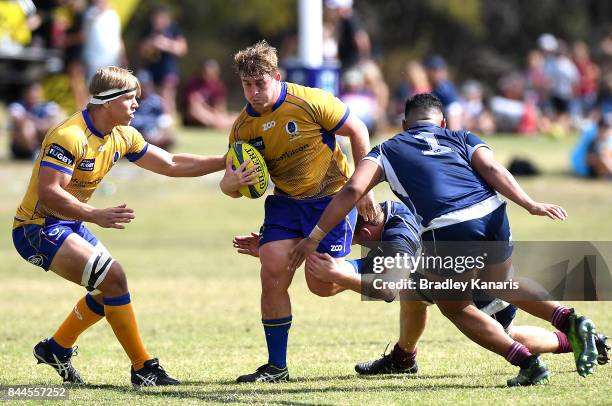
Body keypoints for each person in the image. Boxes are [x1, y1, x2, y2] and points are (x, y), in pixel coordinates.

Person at [288, 93, 600, 386]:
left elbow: (354, 190)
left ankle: (528, 364)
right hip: (493, 215)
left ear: (404, 125)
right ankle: (567, 319)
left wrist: (315, 236)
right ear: (443, 123)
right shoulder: (462, 137)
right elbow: (492, 168)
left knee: (455, 307)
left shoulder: (388, 148)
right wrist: (530, 203)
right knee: (496, 283)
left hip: (448, 227)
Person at [11, 66, 226, 388]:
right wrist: (94, 214)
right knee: (113, 279)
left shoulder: (122, 135)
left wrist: (226, 160)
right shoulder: (69, 136)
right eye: (131, 98)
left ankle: (55, 348)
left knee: (108, 287)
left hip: (68, 222)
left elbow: (170, 164)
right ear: (107, 101)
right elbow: (50, 193)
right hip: (37, 227)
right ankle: (143, 368)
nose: (137, 105)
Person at [236, 201, 610, 374]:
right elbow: (334, 273)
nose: (338, 238)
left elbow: (381, 287)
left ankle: (572, 338)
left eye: (341, 233)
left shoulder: (397, 238)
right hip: (456, 267)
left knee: (503, 327)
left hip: (474, 280)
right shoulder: (383, 221)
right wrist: (277, 252)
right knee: (414, 297)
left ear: (363, 230)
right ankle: (404, 357)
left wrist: (339, 276)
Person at [219, 40, 377, 383]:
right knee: (272, 267)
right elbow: (230, 185)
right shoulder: (243, 128)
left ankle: (371, 268)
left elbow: (358, 130)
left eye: (260, 84)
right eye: (247, 85)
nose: (254, 92)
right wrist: (233, 184)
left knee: (320, 282)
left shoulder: (309, 101)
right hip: (287, 203)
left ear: (276, 76)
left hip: (331, 198)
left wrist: (364, 188)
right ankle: (277, 366)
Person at [139, 5, 187, 114]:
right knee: (151, 97)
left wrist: (166, 44)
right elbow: (141, 50)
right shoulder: (148, 30)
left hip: (168, 69)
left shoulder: (173, 29)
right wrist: (151, 44)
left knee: (167, 96)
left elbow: (182, 48)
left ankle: (168, 122)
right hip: (151, 69)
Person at [8, 82, 64, 160]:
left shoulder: (48, 105)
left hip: (41, 137)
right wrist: (39, 124)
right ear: (25, 93)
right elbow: (18, 119)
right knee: (27, 127)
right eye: (30, 92)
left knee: (54, 128)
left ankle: (46, 152)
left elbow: (56, 120)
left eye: (36, 91)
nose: (33, 94)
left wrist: (37, 124)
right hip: (21, 148)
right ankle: (33, 152)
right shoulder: (18, 106)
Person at [182, 59, 237, 129]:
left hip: (213, 115)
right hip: (195, 116)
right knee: (196, 110)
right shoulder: (194, 83)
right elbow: (193, 105)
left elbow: (220, 108)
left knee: (236, 116)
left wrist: (216, 114)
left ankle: (218, 124)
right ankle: (219, 124)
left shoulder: (218, 86)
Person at [131, 70, 175, 151]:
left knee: (168, 136)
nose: (144, 88)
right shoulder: (130, 100)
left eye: (146, 85)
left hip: (154, 131)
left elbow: (164, 119)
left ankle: (156, 144)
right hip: (137, 132)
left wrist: (163, 132)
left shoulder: (156, 100)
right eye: (141, 86)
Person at [82, 0, 125, 82]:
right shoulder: (89, 13)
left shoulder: (113, 14)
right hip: (94, 61)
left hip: (112, 59)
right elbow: (84, 34)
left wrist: (122, 57)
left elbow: (118, 37)